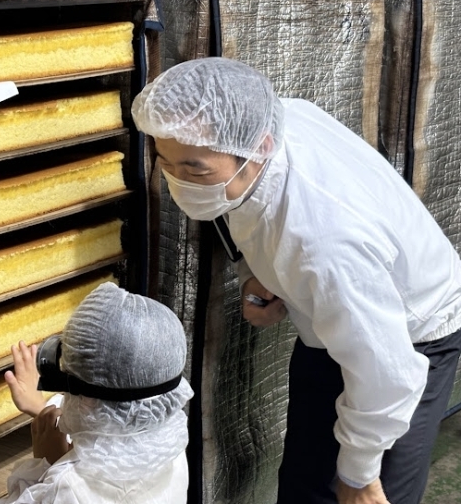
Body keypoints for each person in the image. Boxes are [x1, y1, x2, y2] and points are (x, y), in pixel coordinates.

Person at [131, 57, 461, 504]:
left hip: (411, 333)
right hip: (339, 318)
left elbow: (388, 374)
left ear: (260, 147)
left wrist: (360, 476)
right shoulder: (264, 121)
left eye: (195, 170)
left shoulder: (325, 243)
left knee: (369, 489)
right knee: (307, 480)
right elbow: (247, 211)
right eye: (164, 161)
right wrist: (257, 275)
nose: (177, 181)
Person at [0, 281, 194, 504]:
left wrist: (45, 464)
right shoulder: (169, 445)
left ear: (87, 401)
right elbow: (109, 442)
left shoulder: (63, 489)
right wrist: (42, 409)